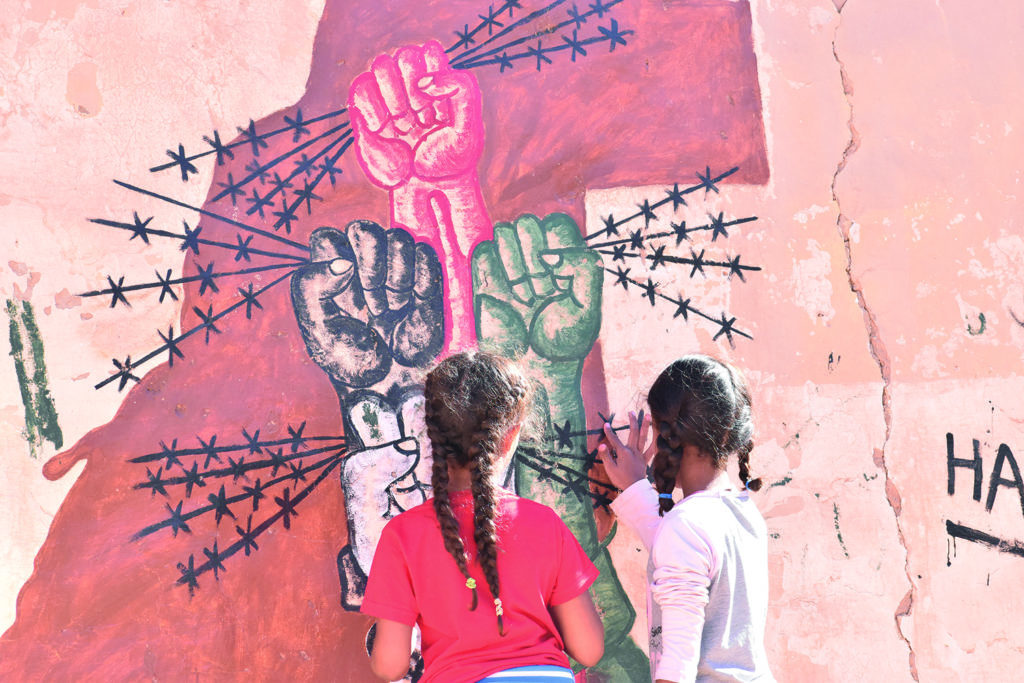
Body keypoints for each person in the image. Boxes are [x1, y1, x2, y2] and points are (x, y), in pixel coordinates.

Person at [360, 351, 605, 682]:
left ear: (433, 436)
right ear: (509, 438)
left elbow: (390, 666)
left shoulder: (403, 535)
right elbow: (589, 649)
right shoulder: (544, 523)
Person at [599, 354, 774, 683]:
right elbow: (682, 551)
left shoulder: (687, 526)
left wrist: (636, 486)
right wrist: (636, 487)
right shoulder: (744, 514)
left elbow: (677, 668)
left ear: (664, 434)